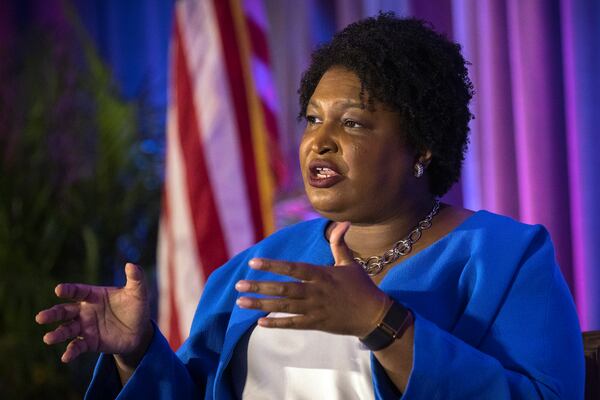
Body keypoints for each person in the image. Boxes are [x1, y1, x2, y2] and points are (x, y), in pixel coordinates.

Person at [36, 13, 584, 399]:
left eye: (351, 123)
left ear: (421, 148)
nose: (318, 141)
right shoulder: (255, 266)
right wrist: (137, 353)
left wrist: (382, 322)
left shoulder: (506, 259)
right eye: (314, 118)